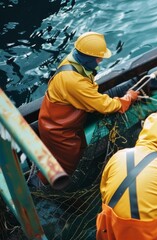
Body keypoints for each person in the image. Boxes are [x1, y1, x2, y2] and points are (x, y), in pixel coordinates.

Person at [37, 32, 139, 185]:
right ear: (87, 57)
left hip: (70, 122)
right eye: (98, 58)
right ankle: (43, 186)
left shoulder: (74, 62)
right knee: (67, 164)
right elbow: (104, 105)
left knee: (79, 150)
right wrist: (127, 98)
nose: (100, 61)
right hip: (57, 129)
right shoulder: (73, 80)